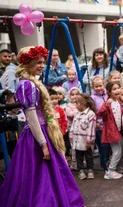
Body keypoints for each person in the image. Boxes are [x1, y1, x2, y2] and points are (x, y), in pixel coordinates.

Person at [0, 46, 84, 206]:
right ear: (28, 62)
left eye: (43, 62)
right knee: (39, 175)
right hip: (37, 135)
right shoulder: (28, 85)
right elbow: (31, 117)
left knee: (47, 173)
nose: (41, 65)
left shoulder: (31, 82)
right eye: (38, 62)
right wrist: (43, 143)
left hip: (42, 132)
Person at [98, 81, 123, 180]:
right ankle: (110, 171)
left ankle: (114, 166)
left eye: (118, 88)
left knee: (122, 148)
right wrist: (106, 105)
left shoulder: (118, 102)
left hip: (117, 130)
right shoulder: (108, 102)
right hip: (111, 131)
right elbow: (100, 113)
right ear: (109, 92)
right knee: (117, 151)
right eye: (114, 89)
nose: (117, 90)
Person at [70, 93, 97, 180]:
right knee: (79, 156)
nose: (75, 105)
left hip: (86, 141)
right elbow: (73, 126)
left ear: (83, 104)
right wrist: (71, 136)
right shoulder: (77, 114)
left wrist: (89, 140)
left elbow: (91, 129)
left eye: (77, 103)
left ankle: (90, 170)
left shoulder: (91, 114)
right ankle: (80, 170)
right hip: (77, 140)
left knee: (88, 156)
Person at [90, 76, 109, 171]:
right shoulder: (92, 98)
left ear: (104, 85)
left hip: (108, 123)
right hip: (99, 125)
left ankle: (109, 162)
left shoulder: (107, 95)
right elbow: (93, 111)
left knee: (109, 145)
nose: (99, 88)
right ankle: (104, 163)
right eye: (96, 86)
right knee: (102, 146)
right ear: (93, 88)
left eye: (100, 86)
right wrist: (96, 121)